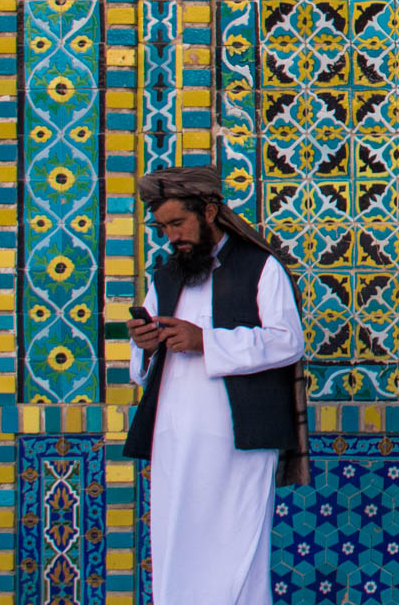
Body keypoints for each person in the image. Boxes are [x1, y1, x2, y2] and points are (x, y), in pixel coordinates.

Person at [123, 167, 310, 605]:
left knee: (235, 548)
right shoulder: (167, 275)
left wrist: (204, 341)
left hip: (237, 440)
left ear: (209, 211)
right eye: (163, 227)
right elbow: (143, 368)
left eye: (178, 224)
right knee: (176, 543)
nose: (171, 236)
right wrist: (146, 346)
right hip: (176, 437)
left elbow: (288, 341)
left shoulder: (261, 267)